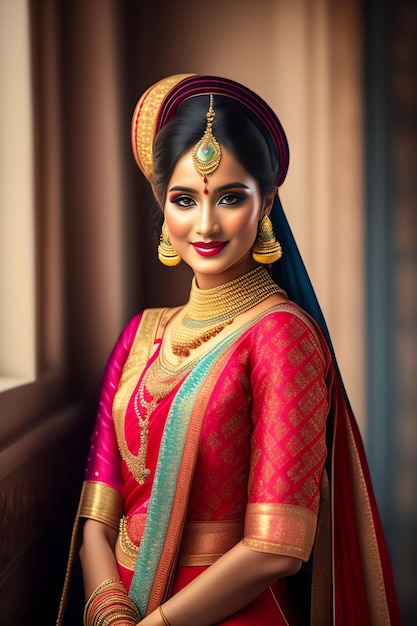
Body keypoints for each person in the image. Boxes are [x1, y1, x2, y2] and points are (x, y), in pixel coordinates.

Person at [56, 74, 401, 625]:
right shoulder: (140, 335)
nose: (207, 224)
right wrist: (109, 610)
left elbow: (275, 549)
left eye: (231, 197)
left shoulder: (281, 336)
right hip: (117, 604)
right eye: (185, 199)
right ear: (162, 206)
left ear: (266, 203)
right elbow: (98, 515)